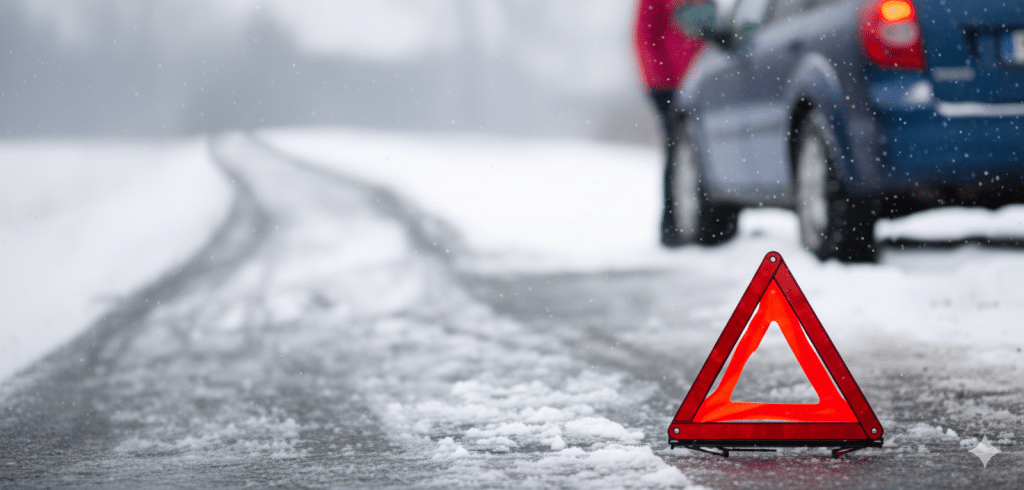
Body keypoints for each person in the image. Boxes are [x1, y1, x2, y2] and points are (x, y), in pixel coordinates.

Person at [633, 0, 706, 246]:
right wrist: (662, 84)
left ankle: (706, 224)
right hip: (670, 87)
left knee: (698, 153)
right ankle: (673, 225)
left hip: (702, 80)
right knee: (677, 153)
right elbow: (645, 36)